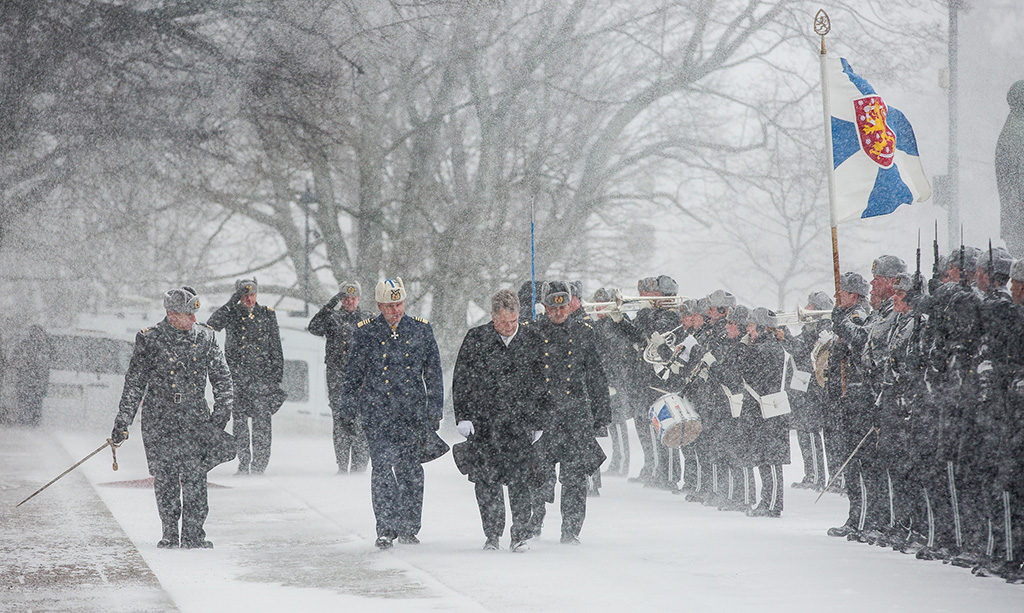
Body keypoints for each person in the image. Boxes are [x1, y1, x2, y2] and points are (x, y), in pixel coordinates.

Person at [111, 287, 234, 548]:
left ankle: (194, 535)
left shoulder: (206, 338)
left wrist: (219, 419)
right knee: (165, 480)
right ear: (171, 314)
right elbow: (135, 384)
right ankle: (169, 533)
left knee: (195, 479)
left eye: (194, 314)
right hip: (161, 420)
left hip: (195, 421)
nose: (193, 320)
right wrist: (123, 421)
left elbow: (223, 380)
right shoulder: (150, 339)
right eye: (187, 315)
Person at [339, 277, 444, 550]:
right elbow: (353, 376)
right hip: (378, 414)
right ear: (378, 305)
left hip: (411, 415)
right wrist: (347, 409)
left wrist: (435, 409)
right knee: (383, 470)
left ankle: (409, 527)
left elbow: (433, 374)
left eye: (398, 304)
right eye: (388, 306)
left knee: (410, 471)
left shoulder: (420, 331)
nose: (394, 311)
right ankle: (385, 528)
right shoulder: (366, 333)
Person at [525, 280, 611, 544]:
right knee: (538, 476)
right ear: (544, 306)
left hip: (575, 417)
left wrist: (601, 415)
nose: (559, 313)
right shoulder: (532, 333)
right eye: (553, 308)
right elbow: (524, 376)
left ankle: (571, 530)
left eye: (563, 307)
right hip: (544, 415)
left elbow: (596, 376)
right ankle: (533, 521)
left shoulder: (584, 332)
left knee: (574, 479)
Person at [453, 289, 537, 552]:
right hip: (485, 424)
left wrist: (539, 420)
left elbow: (541, 384)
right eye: (503, 323)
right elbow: (461, 381)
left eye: (513, 322)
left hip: (520, 424)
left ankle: (520, 533)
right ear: (492, 316)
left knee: (521, 482)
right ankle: (492, 533)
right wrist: (462, 416)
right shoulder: (476, 339)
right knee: (487, 482)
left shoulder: (531, 339)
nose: (509, 328)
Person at [207, 278, 284, 475]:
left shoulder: (267, 314)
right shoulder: (231, 314)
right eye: (244, 295)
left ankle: (259, 466)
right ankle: (243, 462)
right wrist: (233, 301)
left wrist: (276, 379)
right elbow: (212, 324)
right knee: (240, 425)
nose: (249, 299)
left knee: (262, 427)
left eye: (252, 294)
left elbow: (276, 348)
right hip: (238, 379)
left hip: (261, 380)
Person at [308, 280, 369, 473]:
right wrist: (330, 304)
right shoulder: (332, 318)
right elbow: (314, 327)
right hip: (338, 379)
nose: (350, 302)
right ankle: (342, 466)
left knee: (361, 424)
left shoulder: (368, 318)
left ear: (359, 298)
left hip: (362, 380)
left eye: (353, 298)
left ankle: (359, 467)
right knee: (342, 423)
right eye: (345, 298)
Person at [11, 325, 51, 426]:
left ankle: (32, 428)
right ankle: (24, 428)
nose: (39, 335)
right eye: (36, 333)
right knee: (25, 408)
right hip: (25, 383)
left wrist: (44, 386)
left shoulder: (45, 347)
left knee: (35, 409)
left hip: (37, 386)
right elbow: (14, 361)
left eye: (40, 333)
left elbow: (46, 369)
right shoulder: (24, 346)